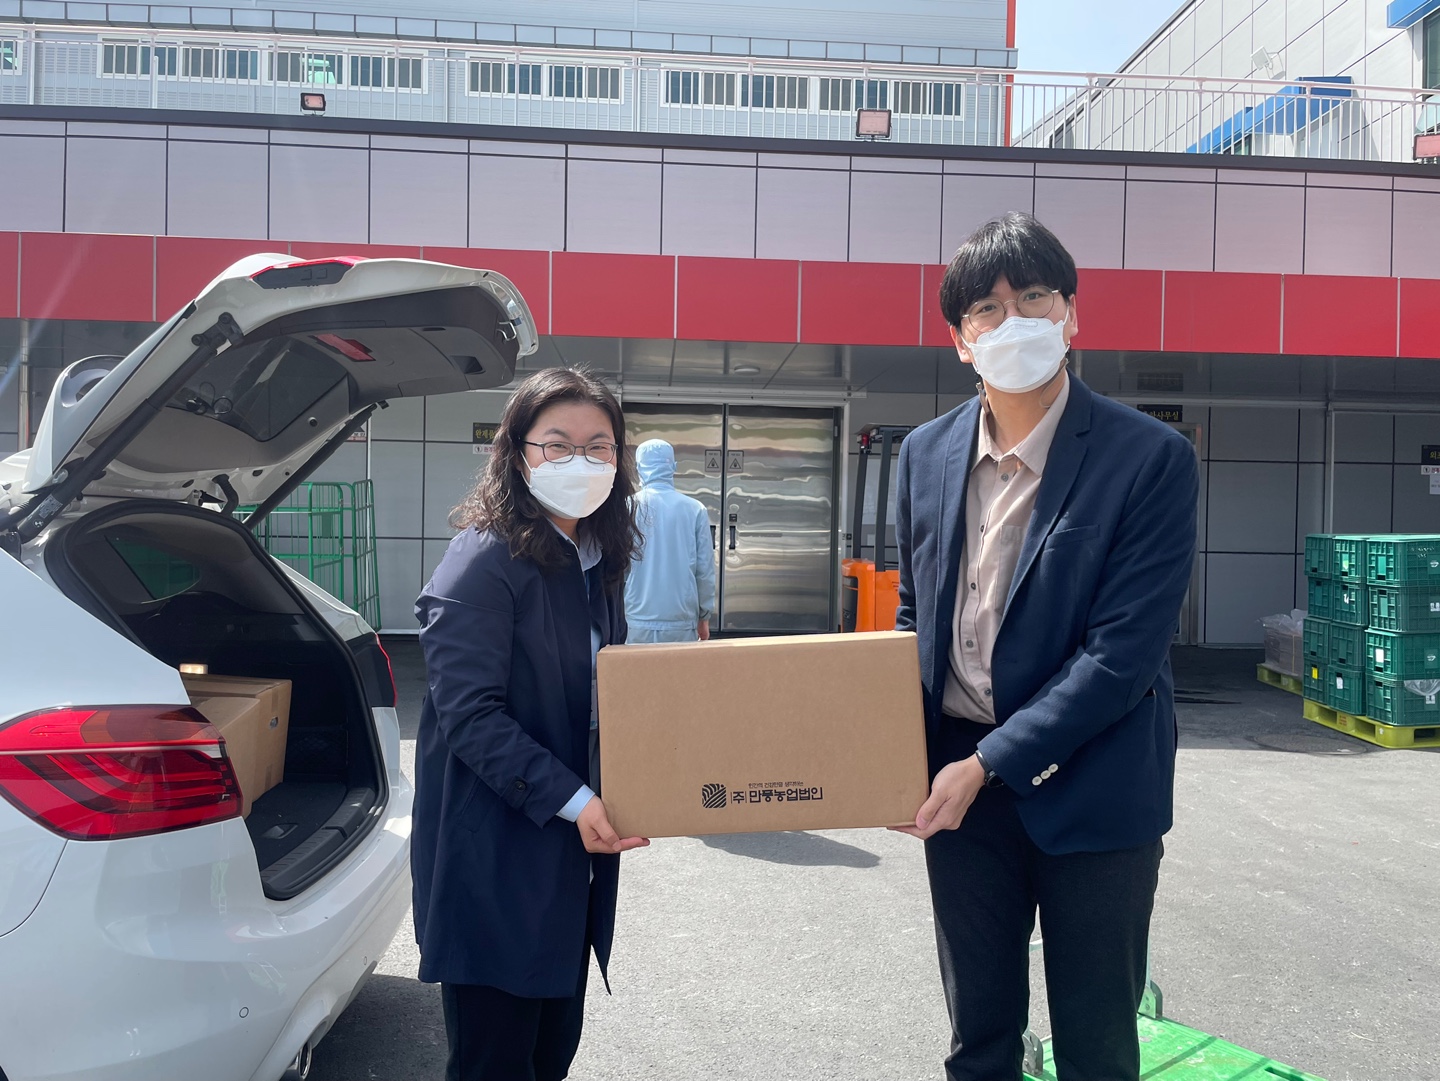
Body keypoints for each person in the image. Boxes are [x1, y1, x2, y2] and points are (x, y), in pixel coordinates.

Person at [891, 212, 1199, 1081]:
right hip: (958, 787)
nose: (1014, 319)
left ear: (1071, 315)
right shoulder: (924, 453)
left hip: (1095, 785)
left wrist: (988, 763)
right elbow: (917, 616)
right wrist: (890, 754)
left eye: (1033, 297)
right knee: (979, 1037)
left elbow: (1121, 657)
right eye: (987, 308)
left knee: (1097, 1046)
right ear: (961, 340)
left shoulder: (1150, 458)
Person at [411, 367, 650, 1081]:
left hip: (566, 855)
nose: (581, 461)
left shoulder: (594, 560)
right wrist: (578, 800)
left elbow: (603, 696)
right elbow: (469, 715)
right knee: (495, 1061)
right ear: (518, 455)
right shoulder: (483, 560)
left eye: (598, 446)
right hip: (496, 854)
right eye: (558, 444)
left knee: (550, 1055)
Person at [625, 439, 718, 643]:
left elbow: (617, 567)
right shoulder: (695, 509)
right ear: (673, 467)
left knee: (636, 664)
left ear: (638, 468)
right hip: (682, 618)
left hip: (636, 618)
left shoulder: (627, 508)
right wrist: (704, 616)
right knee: (680, 665)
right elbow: (704, 570)